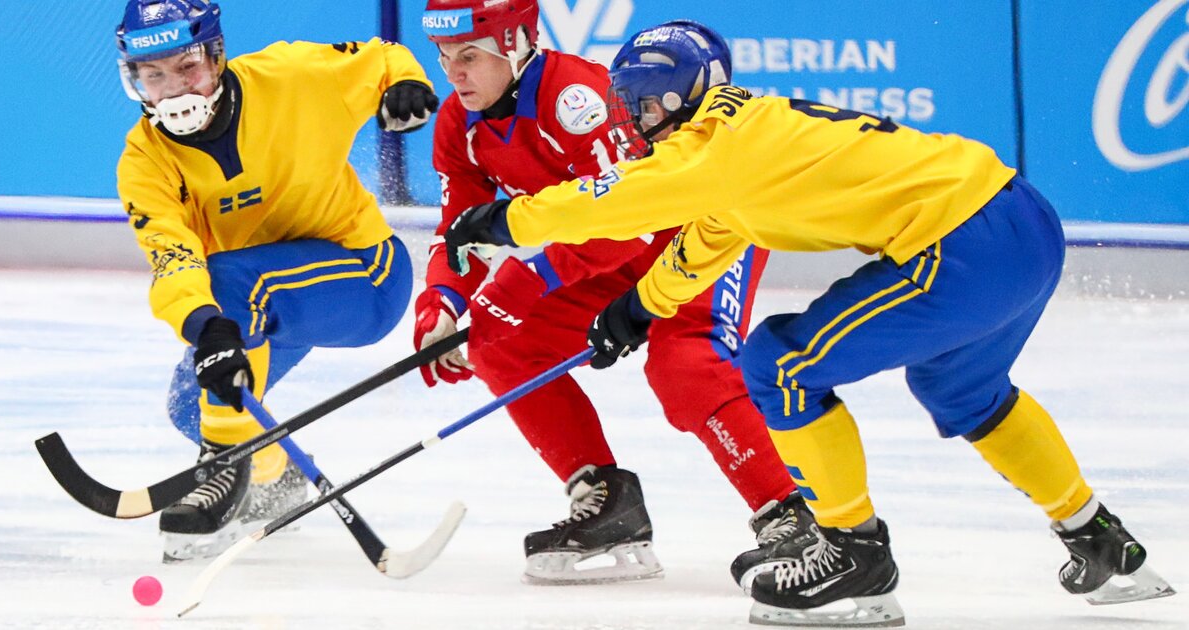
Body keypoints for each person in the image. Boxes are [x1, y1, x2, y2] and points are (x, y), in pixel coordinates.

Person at [443, 19, 1176, 626]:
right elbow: (710, 239)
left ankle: (855, 555)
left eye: (644, 105)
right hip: (1021, 221)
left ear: (681, 93)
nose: (635, 123)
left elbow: (610, 200)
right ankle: (1097, 537)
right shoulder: (747, 136)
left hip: (961, 244)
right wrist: (639, 308)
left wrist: (509, 218)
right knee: (966, 395)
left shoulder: (711, 149)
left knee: (779, 363)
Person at [417, 2, 806, 586]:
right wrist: (442, 303)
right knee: (499, 340)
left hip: (704, 229)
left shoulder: (577, 101)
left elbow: (631, 217)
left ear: (517, 41)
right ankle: (605, 498)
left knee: (687, 366)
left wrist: (527, 278)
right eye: (445, 57)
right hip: (610, 251)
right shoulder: (459, 124)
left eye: (469, 56)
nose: (454, 74)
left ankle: (793, 516)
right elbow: (462, 230)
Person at [114, 0, 439, 561]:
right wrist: (206, 326)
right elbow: (172, 257)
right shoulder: (145, 161)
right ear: (134, 78)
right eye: (154, 74)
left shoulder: (293, 77)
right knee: (194, 403)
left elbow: (384, 58)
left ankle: (222, 467)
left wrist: (406, 84)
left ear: (216, 56)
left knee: (232, 288)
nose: (175, 89)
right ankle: (274, 476)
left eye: (186, 67)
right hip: (264, 299)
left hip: (365, 275)